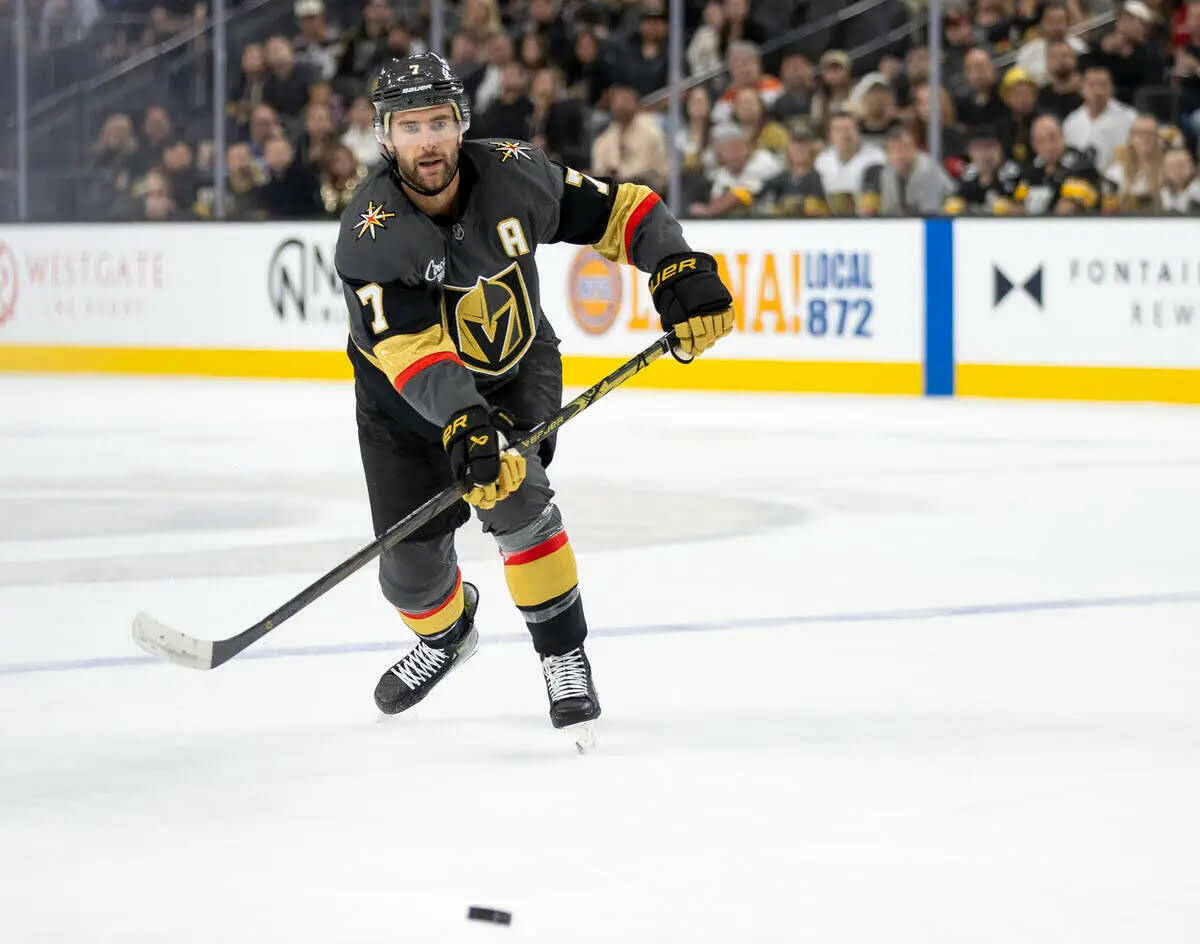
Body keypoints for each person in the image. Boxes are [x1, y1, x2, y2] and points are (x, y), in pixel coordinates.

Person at [333, 54, 734, 736]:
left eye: (438, 122)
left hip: (518, 371)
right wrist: (465, 422)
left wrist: (677, 265)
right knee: (410, 580)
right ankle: (448, 635)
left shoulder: (514, 172)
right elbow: (410, 353)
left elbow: (625, 212)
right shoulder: (370, 235)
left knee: (517, 498)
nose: (427, 140)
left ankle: (564, 656)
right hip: (403, 410)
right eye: (410, 127)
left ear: (460, 123)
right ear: (385, 137)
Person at [688, 122, 782, 217]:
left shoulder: (763, 160)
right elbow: (716, 199)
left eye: (736, 147)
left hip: (775, 220)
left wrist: (708, 211)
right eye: (727, 150)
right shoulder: (724, 173)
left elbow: (741, 196)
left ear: (747, 147)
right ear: (720, 156)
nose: (734, 154)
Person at [1014, 113, 1102, 213]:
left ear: (1062, 136)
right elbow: (1019, 205)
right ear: (1034, 146)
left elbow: (1069, 207)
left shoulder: (1081, 164)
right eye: (1041, 141)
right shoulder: (1032, 169)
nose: (1048, 147)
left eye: (1053, 138)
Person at [591, 84, 669, 192]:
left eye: (625, 98)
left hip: (645, 193)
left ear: (635, 100)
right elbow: (598, 176)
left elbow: (661, 174)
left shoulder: (651, 132)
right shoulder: (603, 140)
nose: (621, 104)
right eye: (617, 99)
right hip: (614, 197)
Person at [868, 124, 956, 215]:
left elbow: (931, 213)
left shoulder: (929, 170)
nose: (899, 155)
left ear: (914, 148)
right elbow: (889, 210)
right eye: (893, 149)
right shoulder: (887, 172)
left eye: (904, 148)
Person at [1063, 66, 1136, 173]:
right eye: (1092, 85)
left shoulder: (1129, 117)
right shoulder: (1071, 121)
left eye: (1103, 85)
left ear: (1112, 88)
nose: (1098, 91)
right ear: (1081, 89)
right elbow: (1067, 158)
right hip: (1078, 182)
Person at [815, 111, 885, 215]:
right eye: (839, 130)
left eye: (848, 129)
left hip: (868, 219)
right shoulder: (822, 160)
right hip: (830, 220)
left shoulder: (876, 157)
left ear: (857, 131)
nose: (845, 134)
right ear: (830, 135)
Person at [945, 125, 1022, 214]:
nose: (984, 154)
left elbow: (1025, 208)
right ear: (969, 152)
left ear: (1002, 149)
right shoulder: (967, 175)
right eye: (978, 148)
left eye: (989, 146)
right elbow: (954, 202)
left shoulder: (1015, 174)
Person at [758, 124, 828, 216]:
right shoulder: (777, 180)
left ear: (811, 148)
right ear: (788, 148)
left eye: (803, 143)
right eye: (795, 143)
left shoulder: (820, 179)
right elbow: (761, 204)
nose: (799, 148)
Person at [1104, 113, 1165, 212]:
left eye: (1150, 133)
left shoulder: (1167, 170)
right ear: (1131, 138)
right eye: (1139, 133)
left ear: (1158, 138)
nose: (1145, 138)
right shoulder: (1115, 172)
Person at [1037, 40, 1084, 120]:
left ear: (1075, 59)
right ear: (1047, 63)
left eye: (1065, 55)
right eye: (1054, 57)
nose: (1060, 60)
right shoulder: (1042, 96)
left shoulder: (1088, 90)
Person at [1160, 146, 1200, 212]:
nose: (1177, 171)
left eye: (1181, 165)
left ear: (1192, 166)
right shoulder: (1162, 195)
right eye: (1171, 166)